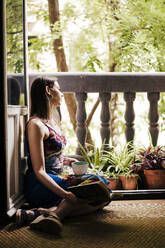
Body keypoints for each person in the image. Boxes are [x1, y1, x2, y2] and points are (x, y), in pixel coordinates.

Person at [16, 77, 112, 235]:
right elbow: (39, 170)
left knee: (104, 194)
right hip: (41, 183)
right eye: (58, 89)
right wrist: (66, 194)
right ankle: (56, 213)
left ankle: (42, 213)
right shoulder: (36, 125)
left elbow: (50, 154)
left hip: (58, 177)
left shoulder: (52, 121)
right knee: (93, 189)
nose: (61, 93)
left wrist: (65, 160)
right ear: (48, 90)